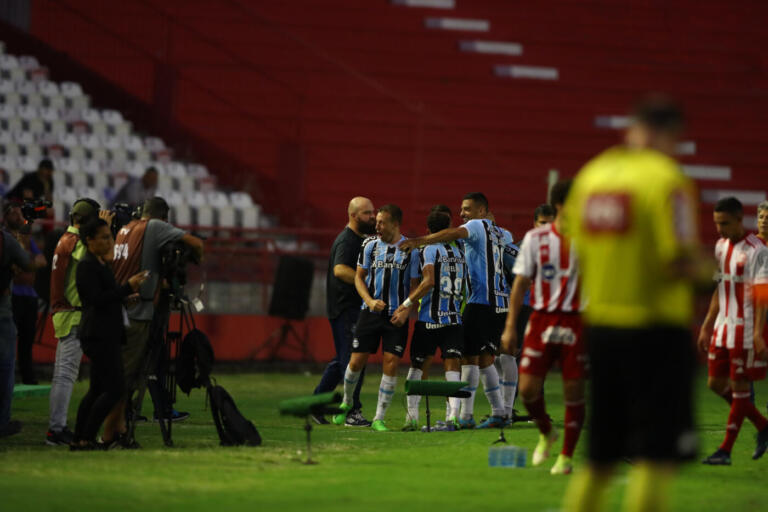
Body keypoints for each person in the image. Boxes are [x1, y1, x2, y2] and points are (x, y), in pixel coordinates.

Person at [562, 96, 708, 512]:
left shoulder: (592, 176)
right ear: (669, 134)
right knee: (655, 454)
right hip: (656, 331)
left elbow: (578, 245)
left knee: (601, 456)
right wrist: (711, 272)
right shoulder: (666, 180)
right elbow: (677, 260)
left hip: (603, 329)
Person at [401, 192, 517, 429]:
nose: (462, 214)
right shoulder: (502, 233)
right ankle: (500, 413)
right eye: (462, 210)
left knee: (468, 359)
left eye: (467, 209)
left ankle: (464, 416)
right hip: (501, 302)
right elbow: (510, 250)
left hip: (480, 302)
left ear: (482, 211)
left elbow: (452, 234)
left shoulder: (474, 226)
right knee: (485, 358)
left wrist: (419, 240)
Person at [501, 180, 586, 476]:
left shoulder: (591, 240)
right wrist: (510, 327)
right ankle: (547, 431)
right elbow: (521, 283)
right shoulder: (536, 239)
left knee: (574, 390)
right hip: (542, 318)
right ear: (562, 204)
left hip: (578, 320)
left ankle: (566, 456)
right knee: (527, 390)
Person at [102, 197, 203, 446]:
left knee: (127, 376)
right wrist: (195, 256)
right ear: (164, 218)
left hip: (123, 307)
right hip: (138, 313)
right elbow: (195, 243)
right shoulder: (155, 228)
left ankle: (121, 429)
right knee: (126, 378)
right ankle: (108, 435)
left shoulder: (126, 229)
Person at [697, 197, 768, 465]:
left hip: (745, 327)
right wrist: (706, 325)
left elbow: (762, 295)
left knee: (740, 390)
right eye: (716, 223)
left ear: (740, 220)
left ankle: (725, 451)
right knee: (714, 384)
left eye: (724, 223)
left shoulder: (757, 250)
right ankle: (763, 425)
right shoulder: (720, 247)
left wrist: (758, 333)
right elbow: (719, 287)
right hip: (721, 327)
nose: (719, 229)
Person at [333, 204, 412, 431]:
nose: (376, 225)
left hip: (395, 315)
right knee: (356, 361)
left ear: (395, 224)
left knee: (390, 363)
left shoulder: (409, 249)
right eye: (376, 221)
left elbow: (415, 286)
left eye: (381, 222)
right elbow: (359, 278)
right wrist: (368, 301)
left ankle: (379, 417)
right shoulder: (369, 245)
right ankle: (346, 403)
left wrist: (406, 309)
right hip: (369, 313)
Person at [71, 219, 148, 450]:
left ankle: (79, 439)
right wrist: (127, 288)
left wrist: (123, 296)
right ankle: (86, 437)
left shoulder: (100, 264)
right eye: (104, 237)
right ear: (89, 240)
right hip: (99, 334)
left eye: (109, 236)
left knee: (97, 390)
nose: (109, 241)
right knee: (115, 389)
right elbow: (95, 300)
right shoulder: (87, 266)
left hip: (106, 332)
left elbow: (107, 296)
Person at [47, 198, 108, 446]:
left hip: (68, 313)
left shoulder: (66, 239)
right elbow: (101, 256)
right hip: (73, 314)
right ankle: (56, 429)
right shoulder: (77, 244)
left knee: (64, 374)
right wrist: (108, 228)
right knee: (64, 375)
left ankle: (58, 428)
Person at [400, 208, 466, 431]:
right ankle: (453, 417)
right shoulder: (460, 250)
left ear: (428, 230)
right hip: (453, 318)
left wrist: (406, 305)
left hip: (428, 318)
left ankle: (412, 418)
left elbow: (427, 282)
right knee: (453, 367)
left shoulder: (428, 249)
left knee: (419, 367)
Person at [314, 196, 376, 426]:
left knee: (343, 360)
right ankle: (352, 411)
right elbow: (340, 270)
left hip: (351, 307)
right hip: (345, 307)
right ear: (353, 215)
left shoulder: (360, 239)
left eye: (372, 212)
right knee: (353, 359)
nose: (372, 217)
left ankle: (315, 405)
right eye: (367, 213)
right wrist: (364, 282)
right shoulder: (347, 241)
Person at [0, 208, 36, 438]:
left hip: (14, 303)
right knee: (5, 367)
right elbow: (30, 266)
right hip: (3, 308)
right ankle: (2, 421)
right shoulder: (7, 241)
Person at [5, 201, 46, 385]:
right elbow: (23, 265)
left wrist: (25, 262)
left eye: (20, 214)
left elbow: (41, 261)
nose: (19, 217)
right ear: (5, 216)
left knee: (27, 338)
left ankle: (28, 377)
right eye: (14, 214)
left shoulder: (25, 239)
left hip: (29, 295)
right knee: (8, 338)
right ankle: (9, 376)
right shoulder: (5, 238)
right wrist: (28, 262)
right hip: (11, 294)